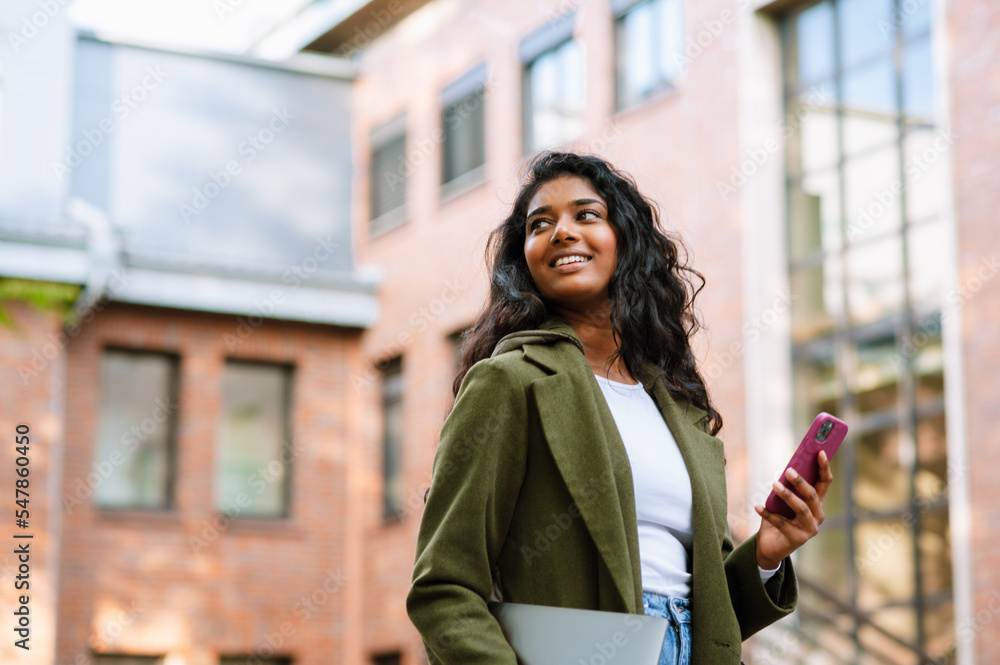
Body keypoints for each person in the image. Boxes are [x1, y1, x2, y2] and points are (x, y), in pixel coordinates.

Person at [406, 151, 832, 665]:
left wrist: (767, 554)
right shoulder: (509, 382)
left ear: (626, 242)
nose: (561, 232)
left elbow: (713, 614)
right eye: (540, 224)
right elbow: (443, 587)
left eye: (586, 215)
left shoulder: (678, 404)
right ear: (526, 258)